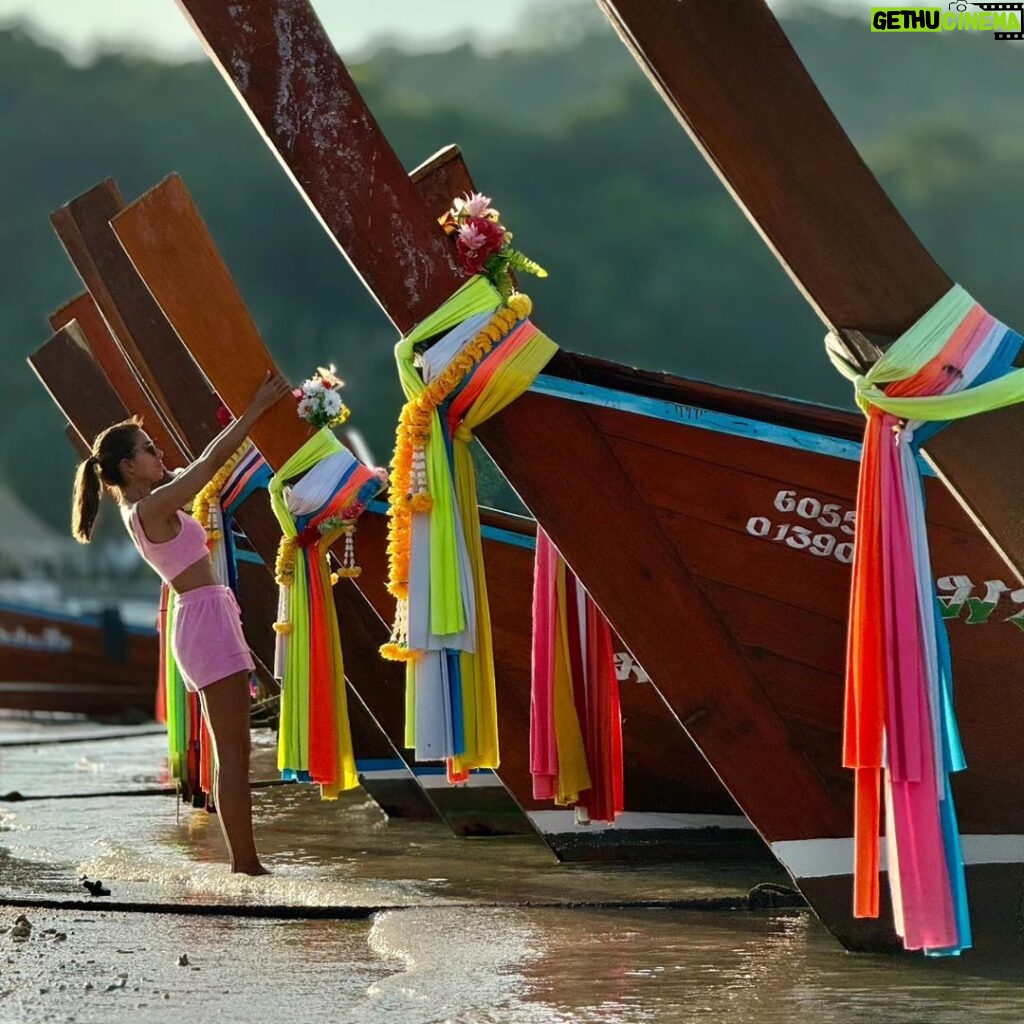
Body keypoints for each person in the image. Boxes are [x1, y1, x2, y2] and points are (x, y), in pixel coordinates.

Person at [71, 370, 292, 875]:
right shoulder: (150, 506)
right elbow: (210, 463)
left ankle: (245, 861)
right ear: (128, 466)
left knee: (231, 749)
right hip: (205, 620)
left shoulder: (146, 504)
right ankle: (247, 865)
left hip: (205, 617)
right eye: (149, 450)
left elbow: (197, 468)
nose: (159, 453)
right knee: (235, 753)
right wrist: (255, 410)